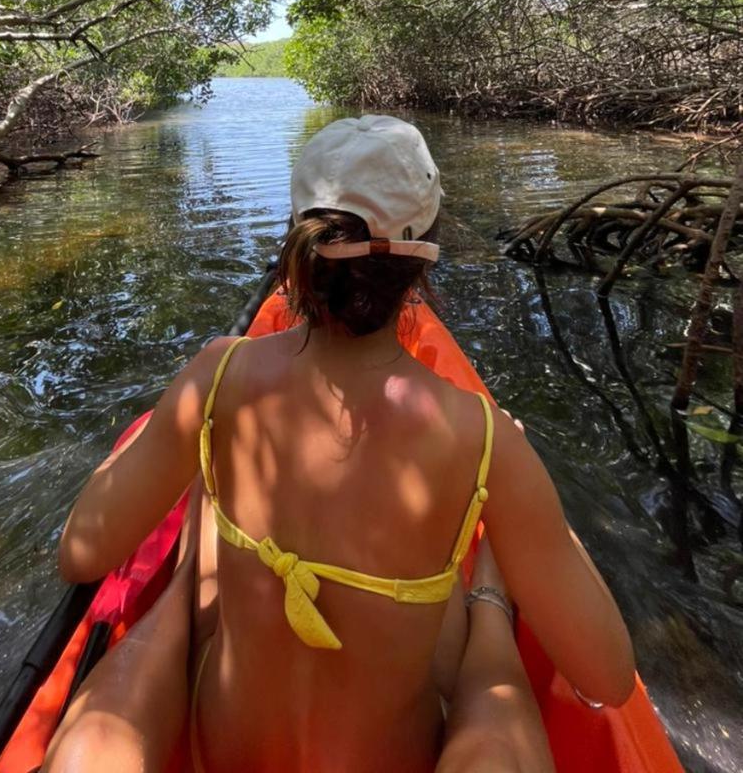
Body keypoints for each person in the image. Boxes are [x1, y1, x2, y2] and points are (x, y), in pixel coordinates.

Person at [46, 115, 636, 772]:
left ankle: (193, 548)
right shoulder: (481, 437)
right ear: (424, 256)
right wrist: (525, 515)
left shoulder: (218, 376)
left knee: (201, 574)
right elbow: (607, 679)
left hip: (223, 750)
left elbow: (81, 552)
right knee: (469, 633)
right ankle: (491, 595)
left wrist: (177, 440)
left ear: (300, 243)